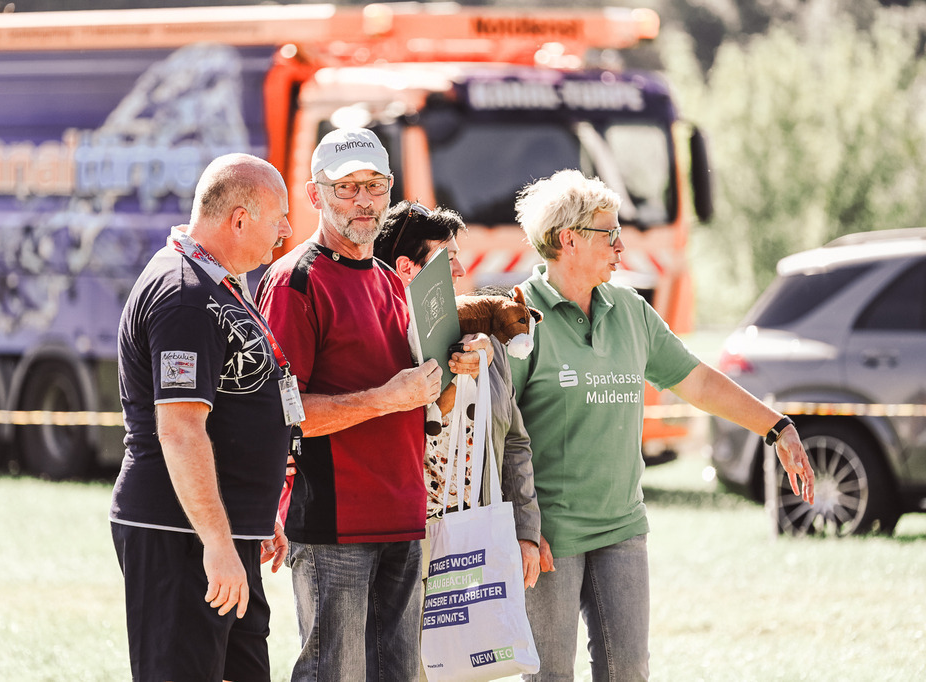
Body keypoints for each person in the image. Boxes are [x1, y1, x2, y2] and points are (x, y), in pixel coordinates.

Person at [508, 170, 816, 682]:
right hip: (547, 538)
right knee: (550, 676)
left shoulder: (630, 310)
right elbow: (500, 434)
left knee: (630, 671)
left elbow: (696, 381)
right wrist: (521, 525)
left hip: (622, 527)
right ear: (569, 240)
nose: (621, 246)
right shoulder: (519, 318)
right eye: (609, 234)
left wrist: (776, 426)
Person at [255, 128, 481, 681]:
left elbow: (429, 402)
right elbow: (281, 413)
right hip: (333, 526)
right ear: (315, 196)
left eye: (375, 187)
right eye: (347, 187)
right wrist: (384, 400)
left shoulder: (392, 281)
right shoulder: (294, 283)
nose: (363, 201)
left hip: (404, 519)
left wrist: (458, 367)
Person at [110, 153, 296, 682]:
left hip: (221, 528)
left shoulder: (216, 281)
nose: (286, 231)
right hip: (180, 534)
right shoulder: (185, 294)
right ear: (239, 219)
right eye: (277, 216)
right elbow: (180, 428)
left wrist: (254, 513)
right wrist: (216, 541)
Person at [373, 200, 542, 590]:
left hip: (478, 537)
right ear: (406, 267)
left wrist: (526, 531)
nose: (462, 271)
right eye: (448, 257)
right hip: (406, 545)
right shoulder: (378, 345)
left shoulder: (487, 344)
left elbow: (514, 444)